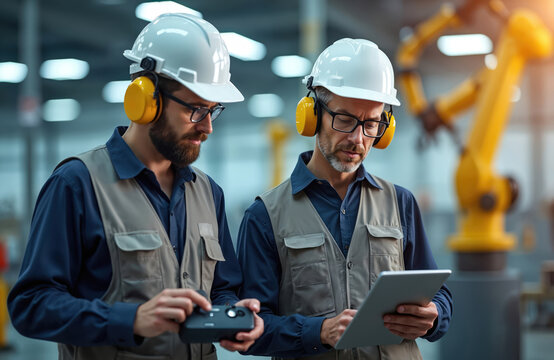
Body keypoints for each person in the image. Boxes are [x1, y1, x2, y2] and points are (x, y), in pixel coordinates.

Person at [8, 13, 263, 359]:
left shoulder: (208, 192)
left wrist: (234, 314)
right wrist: (131, 320)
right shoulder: (77, 184)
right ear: (147, 99)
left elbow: (222, 288)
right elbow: (31, 305)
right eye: (196, 110)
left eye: (213, 111)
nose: (207, 128)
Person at [236, 38, 453, 359]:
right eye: (346, 119)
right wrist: (317, 333)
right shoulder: (265, 215)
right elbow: (250, 328)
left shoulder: (401, 203)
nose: (358, 138)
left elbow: (440, 296)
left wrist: (434, 314)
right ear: (312, 114)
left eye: (371, 123)